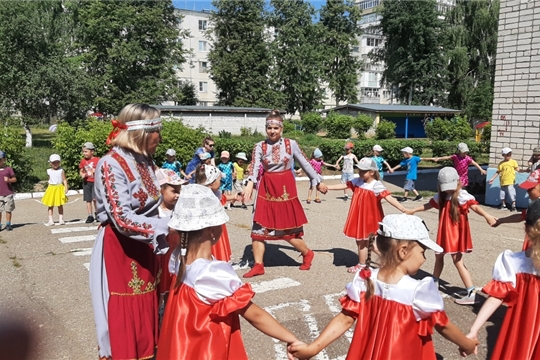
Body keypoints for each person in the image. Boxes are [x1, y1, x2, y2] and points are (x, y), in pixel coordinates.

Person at [288, 214, 478, 360]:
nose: (424, 258)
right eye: (422, 252)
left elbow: (345, 318)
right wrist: (467, 344)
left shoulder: (365, 279)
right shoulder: (418, 290)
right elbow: (443, 326)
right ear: (403, 251)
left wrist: (313, 348)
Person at [157, 184, 300, 360]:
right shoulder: (212, 272)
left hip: (183, 346)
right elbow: (254, 314)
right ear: (211, 230)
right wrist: (291, 338)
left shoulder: (179, 257)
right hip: (206, 349)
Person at [89, 104, 170, 360]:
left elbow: (155, 200)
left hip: (147, 244)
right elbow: (122, 218)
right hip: (122, 250)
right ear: (144, 133)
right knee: (127, 311)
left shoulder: (144, 160)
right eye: (158, 130)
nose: (160, 137)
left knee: (150, 307)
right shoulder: (110, 164)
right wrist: (167, 227)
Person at [242, 109, 328, 278]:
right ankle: (259, 265)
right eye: (269, 128)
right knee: (258, 228)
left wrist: (318, 181)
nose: (272, 131)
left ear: (281, 129)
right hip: (266, 188)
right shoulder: (259, 146)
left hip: (285, 189)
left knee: (287, 230)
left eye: (276, 128)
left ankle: (307, 253)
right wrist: (250, 183)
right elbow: (254, 165)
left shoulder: (291, 144)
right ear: (266, 129)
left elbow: (305, 163)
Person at [407, 167, 497, 305]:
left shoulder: (462, 196)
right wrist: (413, 210)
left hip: (456, 234)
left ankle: (471, 292)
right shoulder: (442, 196)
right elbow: (429, 205)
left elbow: (475, 207)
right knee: (439, 256)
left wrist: (487, 215)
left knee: (457, 261)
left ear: (458, 182)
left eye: (451, 187)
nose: (449, 190)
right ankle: (434, 282)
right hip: (445, 232)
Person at [465, 199, 540, 360]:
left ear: (526, 229)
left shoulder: (513, 262)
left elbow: (496, 296)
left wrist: (474, 329)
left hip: (523, 332)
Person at [326, 157, 407, 273]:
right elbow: (344, 186)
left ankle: (362, 264)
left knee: (362, 241)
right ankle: (389, 259)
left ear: (372, 172)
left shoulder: (376, 185)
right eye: (359, 170)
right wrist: (327, 187)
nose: (360, 173)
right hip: (359, 216)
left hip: (368, 218)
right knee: (366, 242)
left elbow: (389, 197)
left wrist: (403, 209)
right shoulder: (357, 181)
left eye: (363, 171)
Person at [155, 168, 187, 319]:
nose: (178, 195)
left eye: (179, 191)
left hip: (176, 258)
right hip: (160, 259)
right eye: (174, 191)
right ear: (161, 190)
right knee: (159, 291)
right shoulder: (154, 212)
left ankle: (169, 320)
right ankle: (158, 321)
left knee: (172, 291)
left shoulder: (180, 210)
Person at [194, 164, 236, 262]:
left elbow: (223, 198)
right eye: (219, 180)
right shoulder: (206, 197)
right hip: (211, 233)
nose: (221, 183)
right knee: (212, 252)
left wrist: (234, 197)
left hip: (212, 231)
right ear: (211, 182)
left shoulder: (214, 194)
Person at [494, 169, 540, 250]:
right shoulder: (535, 205)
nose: (527, 192)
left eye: (531, 189)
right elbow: (521, 216)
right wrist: (501, 220)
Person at [488, 147, 519, 211]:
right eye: (507, 154)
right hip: (503, 182)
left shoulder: (513, 162)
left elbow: (518, 169)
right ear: (503, 155)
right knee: (502, 194)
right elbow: (498, 172)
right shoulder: (501, 163)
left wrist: (525, 170)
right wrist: (492, 178)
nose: (508, 156)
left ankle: (513, 205)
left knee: (512, 193)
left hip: (510, 181)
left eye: (510, 154)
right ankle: (504, 205)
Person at [42, 154, 68, 226]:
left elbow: (64, 179)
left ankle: (61, 218)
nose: (55, 164)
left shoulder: (61, 170)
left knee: (60, 204)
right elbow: (49, 180)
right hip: (51, 188)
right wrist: (48, 188)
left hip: (59, 188)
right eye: (54, 162)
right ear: (50, 163)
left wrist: (66, 187)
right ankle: (50, 220)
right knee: (50, 204)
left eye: (57, 162)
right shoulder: (49, 171)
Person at [79, 142, 100, 223]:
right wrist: (82, 175)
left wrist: (96, 171)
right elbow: (81, 171)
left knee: (95, 199)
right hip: (87, 182)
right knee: (88, 199)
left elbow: (102, 170)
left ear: (92, 151)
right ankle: (90, 215)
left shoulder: (97, 160)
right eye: (83, 152)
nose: (84, 153)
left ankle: (97, 213)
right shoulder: (83, 161)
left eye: (86, 151)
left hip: (95, 182)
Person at [0, 151, 16, 231]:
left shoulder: (8, 169)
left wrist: (9, 179)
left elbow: (14, 179)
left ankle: (8, 224)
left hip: (8, 193)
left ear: (4, 160)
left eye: (0, 160)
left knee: (8, 210)